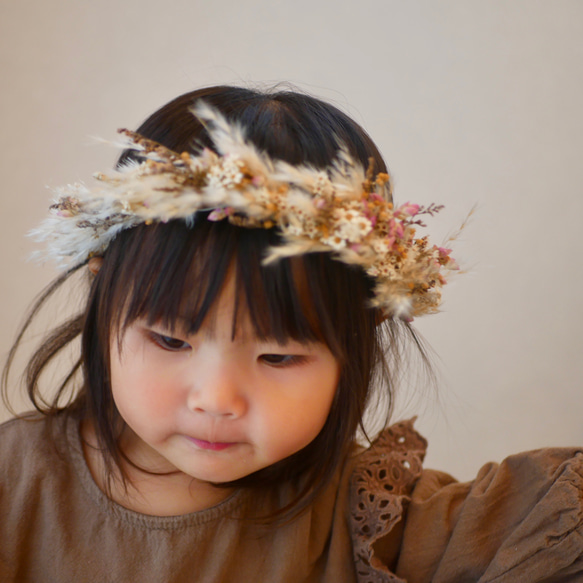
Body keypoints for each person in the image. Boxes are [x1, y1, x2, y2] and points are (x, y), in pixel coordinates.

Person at [1, 85, 582, 583]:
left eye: (277, 356)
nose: (216, 400)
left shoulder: (377, 516)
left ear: (361, 336)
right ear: (103, 302)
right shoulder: (14, 482)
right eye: (171, 342)